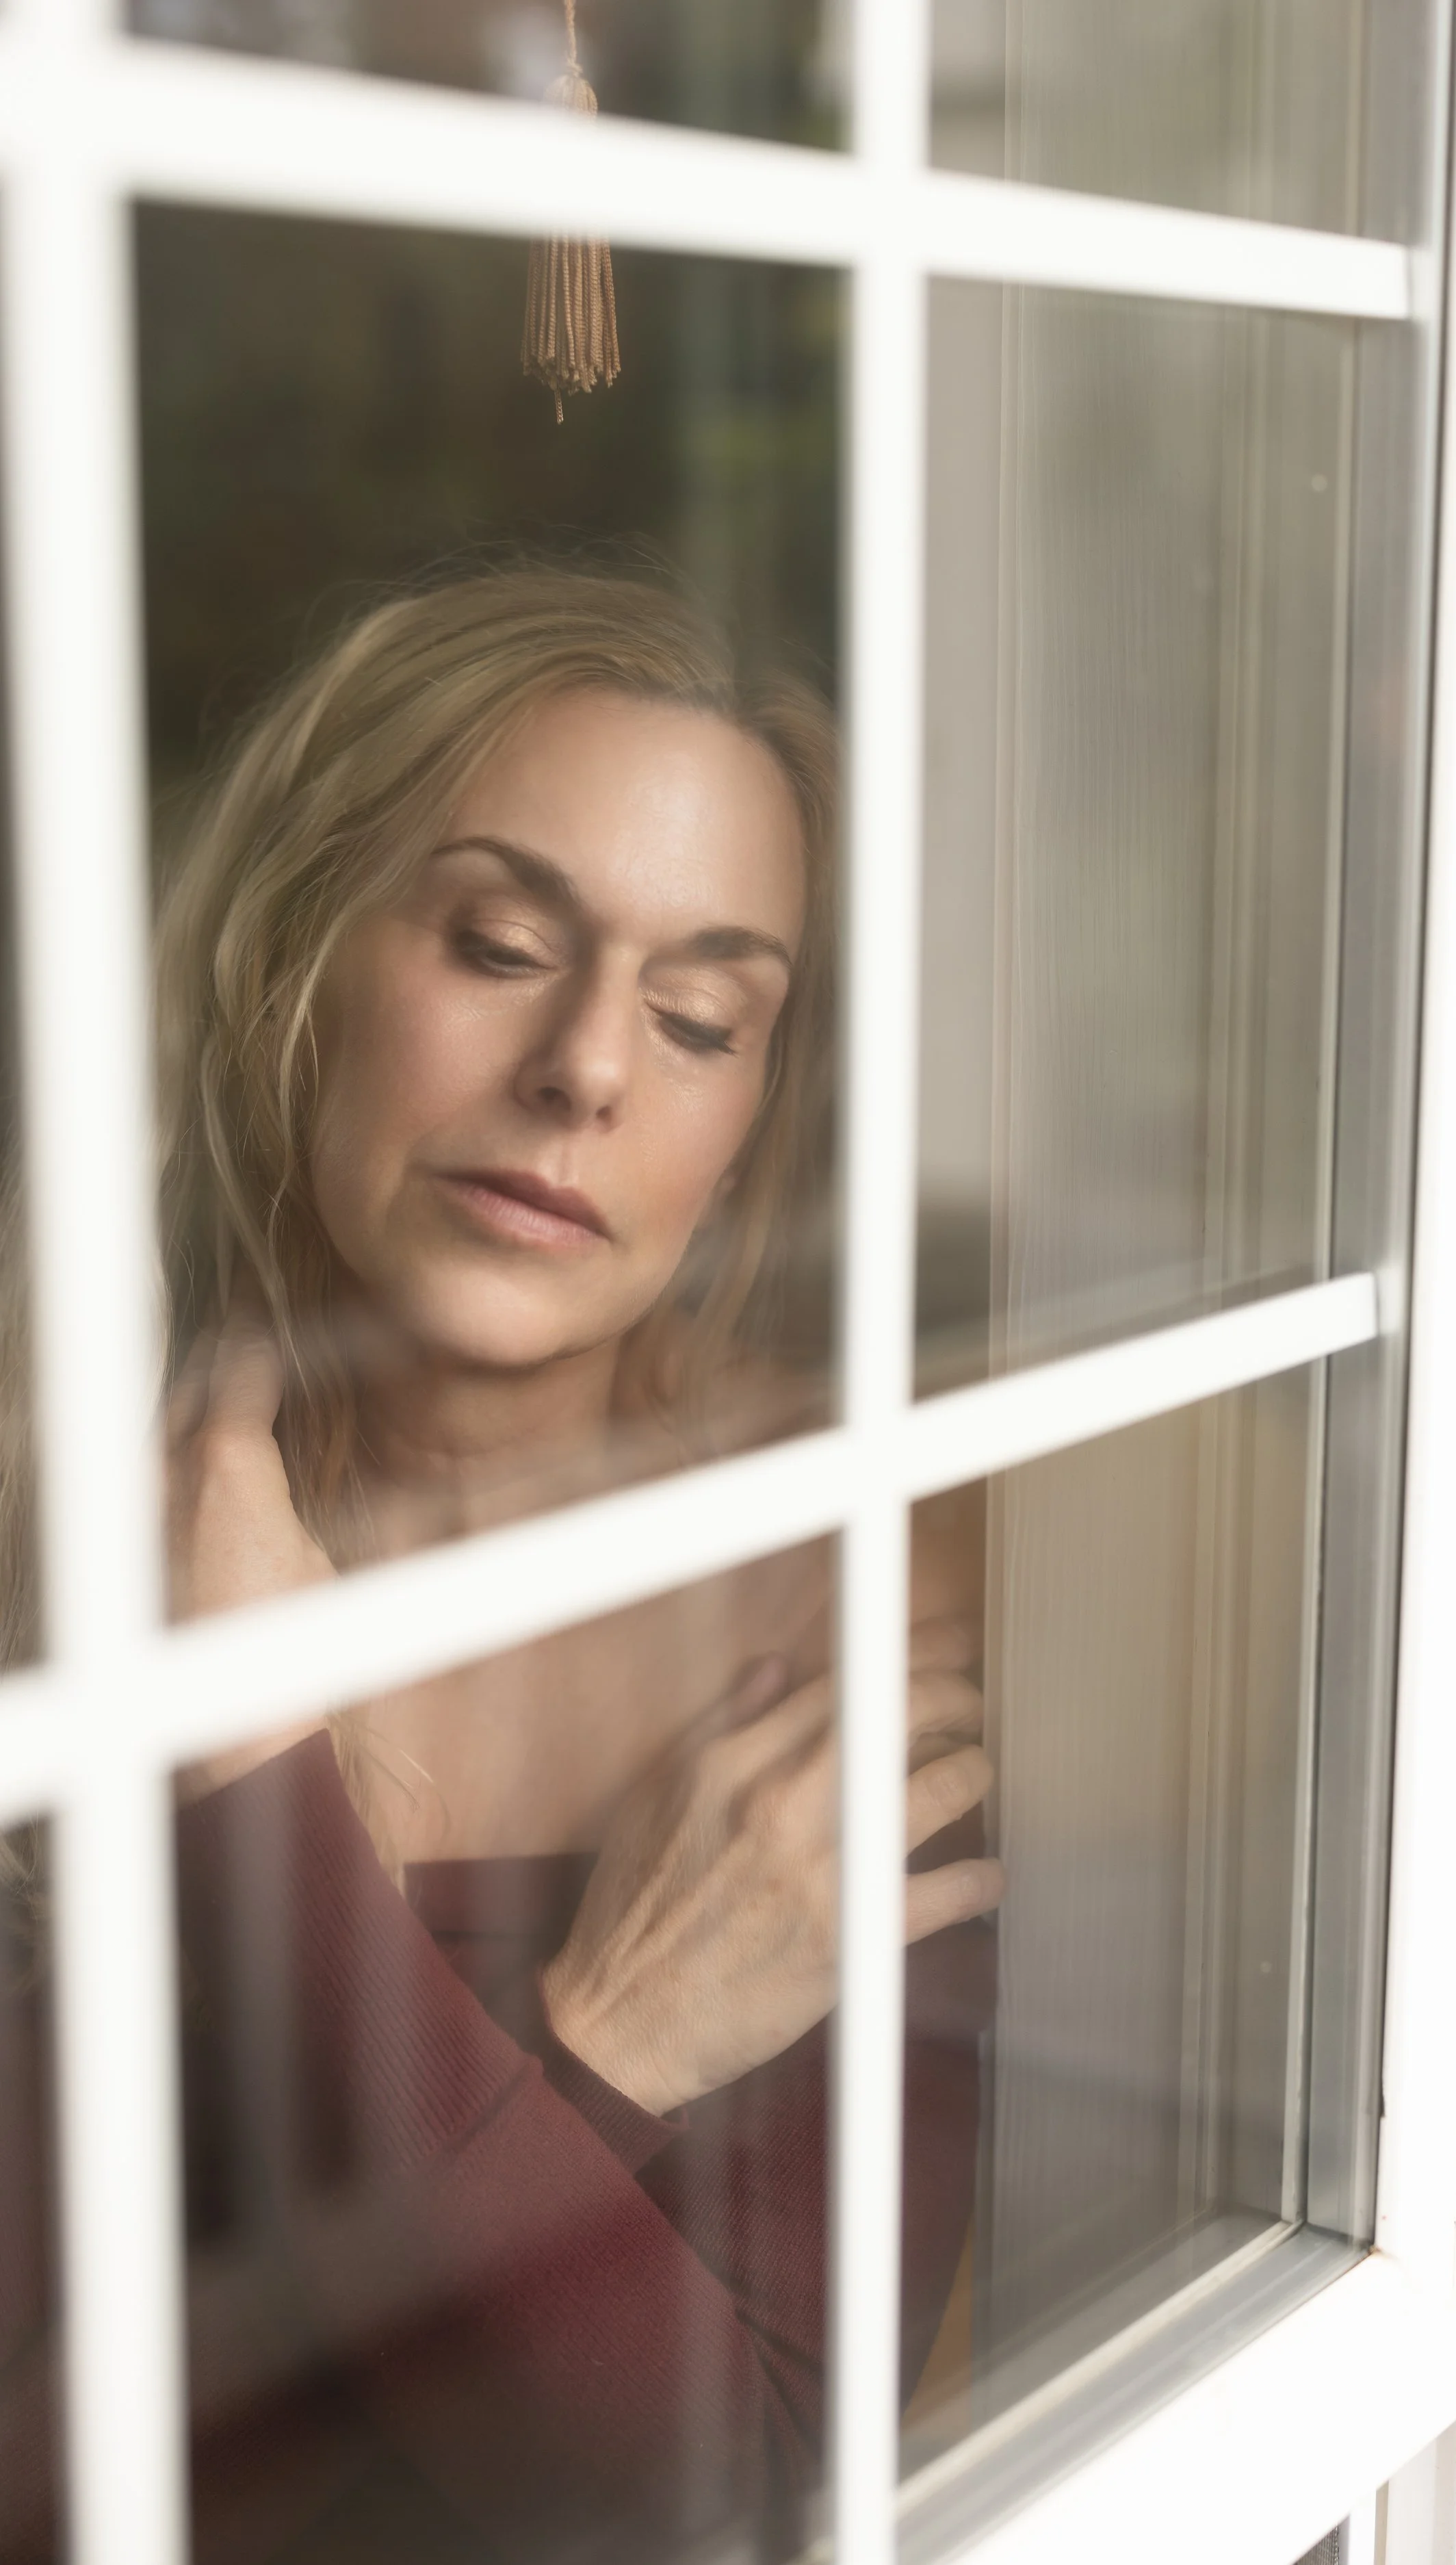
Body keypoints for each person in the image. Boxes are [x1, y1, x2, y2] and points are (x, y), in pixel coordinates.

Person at [0, 565, 1002, 2564]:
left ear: (749, 1116)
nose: (586, 1070)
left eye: (700, 1013)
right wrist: (605, 2053)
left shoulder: (846, 1591)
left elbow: (700, 2494)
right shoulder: (36, 1511)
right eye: (498, 941)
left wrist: (244, 1774)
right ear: (296, 956)